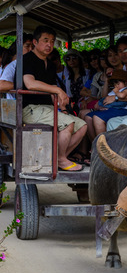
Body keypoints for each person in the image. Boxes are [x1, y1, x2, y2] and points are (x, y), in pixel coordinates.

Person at [22, 25, 87, 172]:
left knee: (82, 125)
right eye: (45, 40)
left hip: (48, 108)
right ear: (35, 42)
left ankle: (56, 158)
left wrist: (63, 108)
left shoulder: (50, 65)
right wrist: (58, 90)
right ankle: (60, 160)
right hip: (29, 108)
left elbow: (52, 91)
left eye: (52, 41)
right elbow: (30, 84)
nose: (49, 45)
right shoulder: (26, 59)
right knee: (68, 124)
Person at [84, 69, 127, 140]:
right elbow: (105, 98)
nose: (116, 86)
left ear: (125, 83)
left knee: (97, 117)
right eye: (114, 83)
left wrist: (116, 92)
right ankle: (94, 143)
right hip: (110, 109)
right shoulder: (114, 90)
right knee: (87, 117)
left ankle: (102, 145)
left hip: (121, 109)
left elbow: (122, 96)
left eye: (118, 83)